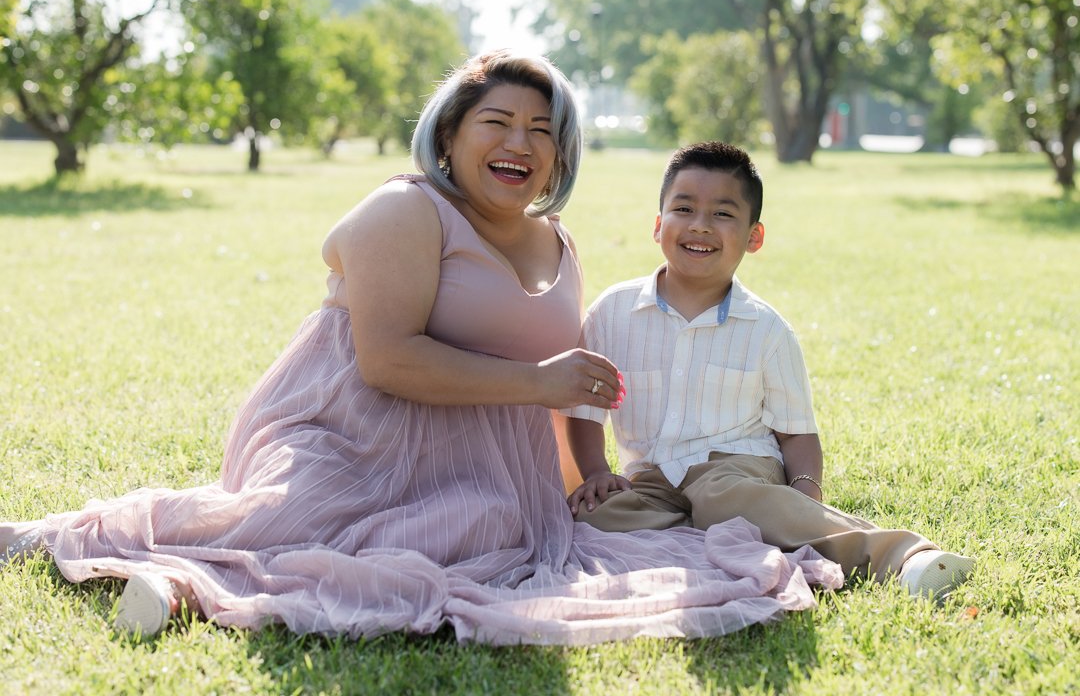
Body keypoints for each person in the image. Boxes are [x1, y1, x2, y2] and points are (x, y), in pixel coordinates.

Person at [0, 54, 842, 645]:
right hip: (356, 436)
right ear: (448, 137)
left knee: (486, 536)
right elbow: (389, 361)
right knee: (288, 524)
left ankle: (188, 583)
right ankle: (147, 568)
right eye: (496, 122)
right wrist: (538, 381)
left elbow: (561, 392)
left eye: (540, 130)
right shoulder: (405, 212)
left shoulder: (558, 242)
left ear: (559, 156)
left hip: (485, 471)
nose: (519, 143)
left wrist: (576, 485)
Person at [562, 141, 975, 603]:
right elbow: (585, 406)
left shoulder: (767, 329)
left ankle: (902, 557)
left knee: (720, 496)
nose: (700, 225)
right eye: (684, 208)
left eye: (723, 214)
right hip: (654, 483)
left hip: (736, 470)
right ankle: (732, 537)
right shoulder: (612, 313)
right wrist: (596, 472)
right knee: (593, 521)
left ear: (754, 237)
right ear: (658, 225)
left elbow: (796, 433)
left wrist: (805, 496)